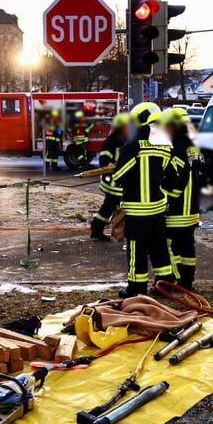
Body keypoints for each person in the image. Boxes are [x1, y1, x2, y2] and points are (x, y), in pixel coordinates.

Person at [112, 103, 175, 297]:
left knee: (136, 251)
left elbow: (119, 175)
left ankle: (136, 288)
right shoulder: (165, 146)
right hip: (157, 209)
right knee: (159, 248)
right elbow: (171, 178)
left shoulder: (133, 147)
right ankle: (166, 285)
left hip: (137, 212)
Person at [162, 107, 204, 291]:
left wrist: (165, 202)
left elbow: (176, 180)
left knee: (172, 247)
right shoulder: (192, 145)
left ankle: (177, 282)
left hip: (178, 209)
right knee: (187, 248)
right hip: (192, 207)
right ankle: (187, 281)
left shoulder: (178, 149)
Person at [90, 112, 129, 242]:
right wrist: (116, 169)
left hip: (120, 182)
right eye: (126, 126)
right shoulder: (111, 142)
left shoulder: (124, 141)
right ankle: (96, 229)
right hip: (113, 184)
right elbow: (104, 163)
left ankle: (107, 229)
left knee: (113, 207)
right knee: (109, 207)